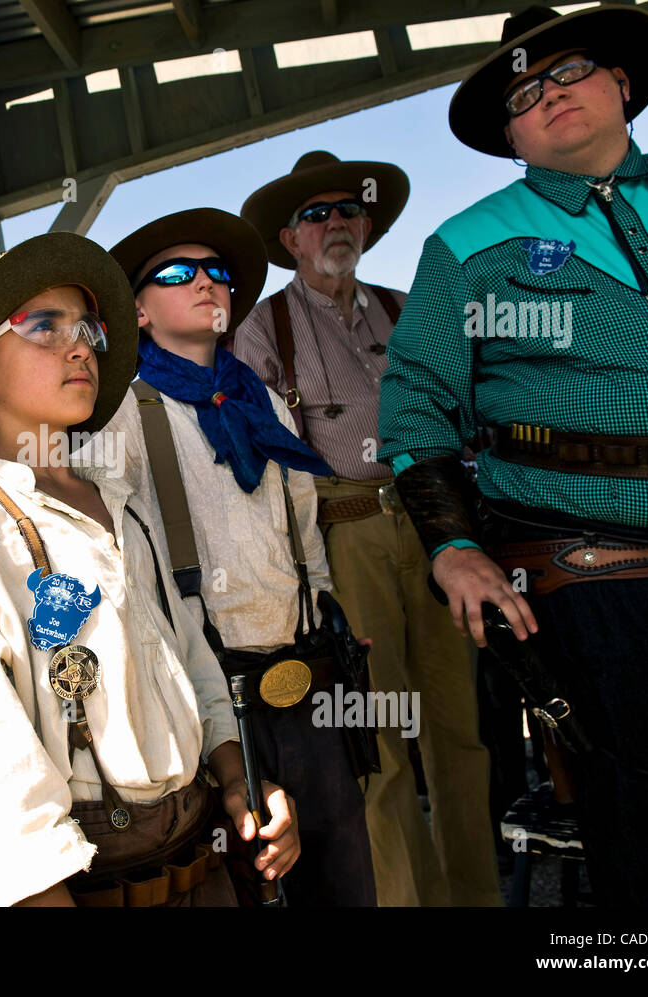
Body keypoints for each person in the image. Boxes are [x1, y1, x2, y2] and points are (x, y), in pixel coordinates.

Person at [379, 3, 648, 905]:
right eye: (526, 92)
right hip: (599, 575)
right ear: (510, 133)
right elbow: (415, 411)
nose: (551, 96)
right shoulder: (466, 247)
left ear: (623, 84)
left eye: (569, 72)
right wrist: (455, 549)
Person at [0, 231, 300, 906]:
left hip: (201, 862)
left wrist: (237, 778)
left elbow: (192, 662)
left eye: (85, 326)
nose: (80, 343)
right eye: (43, 325)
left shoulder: (125, 509)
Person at [235, 153, 500, 906]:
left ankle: (475, 899)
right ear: (289, 239)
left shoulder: (409, 308)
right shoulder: (261, 330)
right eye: (316, 215)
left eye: (348, 210)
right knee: (378, 745)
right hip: (342, 541)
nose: (337, 223)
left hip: (433, 530)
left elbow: (466, 413)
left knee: (460, 735)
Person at [97, 207, 376, 905]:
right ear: (136, 310)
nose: (206, 282)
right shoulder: (123, 415)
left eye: (217, 272)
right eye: (177, 273)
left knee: (344, 874)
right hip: (213, 705)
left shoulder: (265, 403)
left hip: (304, 677)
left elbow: (305, 530)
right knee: (251, 885)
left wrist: (325, 614)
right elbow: (117, 568)